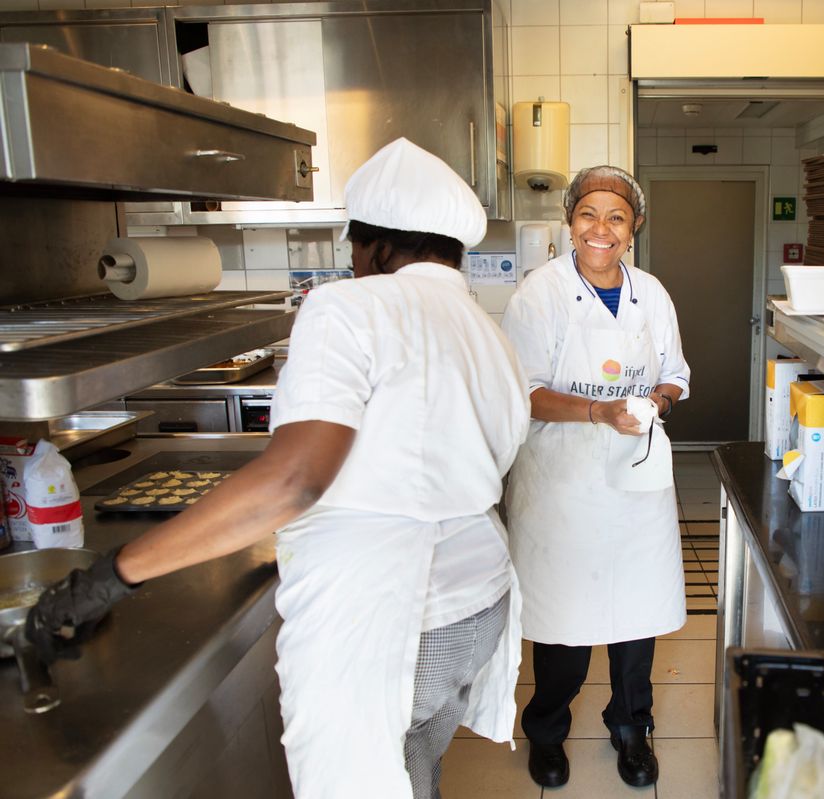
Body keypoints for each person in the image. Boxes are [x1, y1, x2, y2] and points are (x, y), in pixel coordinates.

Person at [26, 138, 531, 799]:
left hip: (395, 612)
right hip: (478, 604)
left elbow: (294, 479)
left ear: (377, 247)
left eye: (354, 247)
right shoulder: (486, 330)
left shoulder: (349, 306)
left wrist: (114, 574)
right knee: (414, 769)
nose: (351, 264)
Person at [501, 165, 690, 789]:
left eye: (616, 216)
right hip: (562, 485)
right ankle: (548, 731)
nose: (601, 228)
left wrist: (654, 402)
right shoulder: (540, 293)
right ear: (569, 222)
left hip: (636, 479)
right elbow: (523, 391)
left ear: (633, 228)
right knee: (565, 621)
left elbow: (675, 374)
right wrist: (596, 410)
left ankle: (632, 728)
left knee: (636, 618)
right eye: (589, 214)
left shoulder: (652, 294)